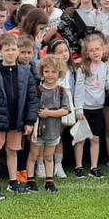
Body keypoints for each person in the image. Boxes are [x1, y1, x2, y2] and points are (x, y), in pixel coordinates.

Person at [0, 34, 40, 199]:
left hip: (17, 121)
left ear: (18, 51)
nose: (11, 53)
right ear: (0, 51)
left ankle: (13, 183)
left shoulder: (26, 73)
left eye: (14, 49)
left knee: (13, 151)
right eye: (7, 49)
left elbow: (32, 99)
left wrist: (29, 121)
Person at [72, 33, 109, 180]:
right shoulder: (83, 68)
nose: (95, 52)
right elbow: (78, 90)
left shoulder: (104, 66)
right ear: (87, 53)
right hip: (85, 109)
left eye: (98, 49)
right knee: (81, 138)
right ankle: (78, 166)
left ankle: (94, 167)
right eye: (92, 50)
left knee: (95, 138)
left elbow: (105, 84)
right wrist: (79, 109)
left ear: (103, 50)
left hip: (98, 108)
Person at [26, 55, 69, 194]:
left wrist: (49, 113)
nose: (50, 75)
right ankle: (30, 180)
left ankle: (49, 181)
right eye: (47, 71)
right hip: (37, 131)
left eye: (53, 72)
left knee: (49, 156)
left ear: (59, 73)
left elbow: (65, 110)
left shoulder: (62, 91)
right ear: (41, 72)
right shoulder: (38, 91)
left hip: (53, 130)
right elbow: (33, 110)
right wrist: (34, 129)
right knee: (33, 155)